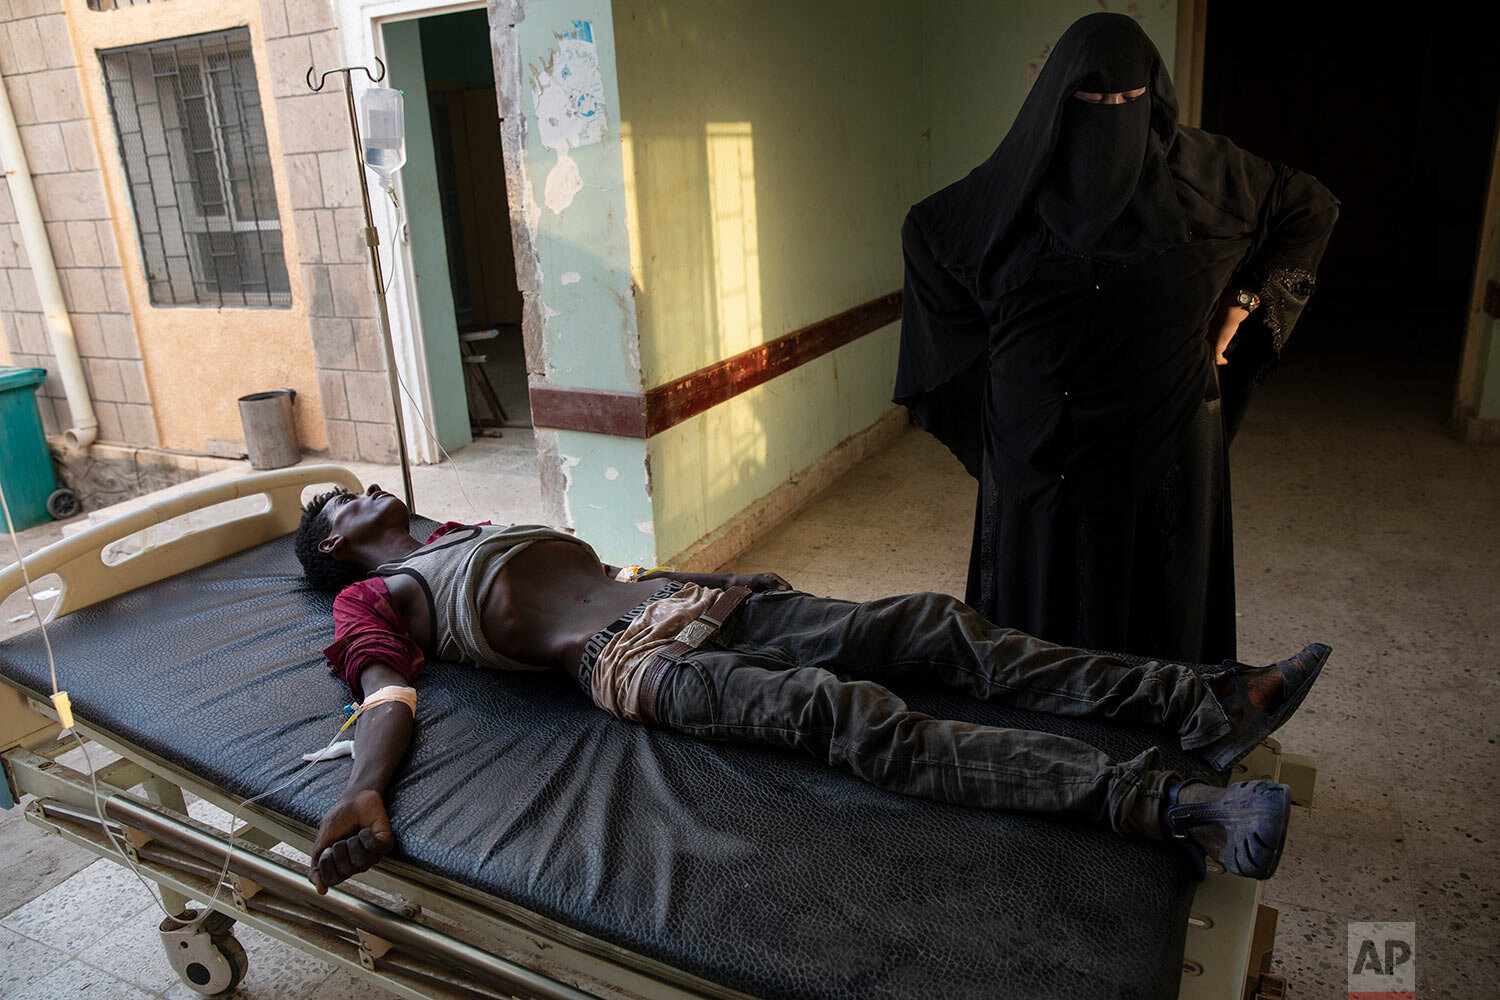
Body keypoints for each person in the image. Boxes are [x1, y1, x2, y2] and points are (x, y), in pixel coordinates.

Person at [292, 483, 1329, 894]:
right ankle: (1175, 806)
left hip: (698, 605)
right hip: (640, 665)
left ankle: (1206, 702)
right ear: (337, 542)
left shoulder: (470, 525)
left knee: (929, 624)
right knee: (861, 722)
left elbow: (611, 569)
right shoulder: (378, 594)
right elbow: (384, 694)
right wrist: (368, 788)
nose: (366, 486)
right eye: (342, 499)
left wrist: (719, 580)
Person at [893, 13, 1339, 663]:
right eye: (1090, 99)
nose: (1111, 114)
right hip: (1042, 442)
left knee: (1158, 611)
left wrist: (1243, 303)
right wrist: (1002, 369)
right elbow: (929, 233)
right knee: (1035, 623)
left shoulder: (1199, 170)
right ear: (1053, 102)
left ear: (1153, 97)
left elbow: (1309, 206)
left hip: (1166, 438)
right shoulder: (1015, 180)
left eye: (1128, 99)